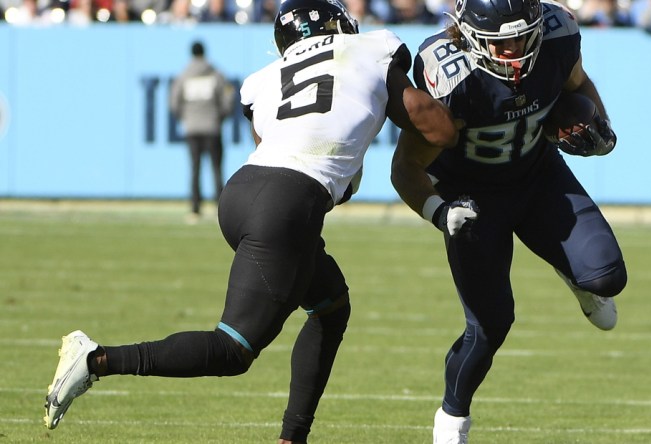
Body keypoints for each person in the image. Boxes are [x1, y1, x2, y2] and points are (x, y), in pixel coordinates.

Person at [43, 0, 459, 442]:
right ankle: (96, 360)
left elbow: (278, 145)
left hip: (242, 192)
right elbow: (440, 130)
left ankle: (292, 436)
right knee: (233, 349)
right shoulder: (370, 49)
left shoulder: (265, 80)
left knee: (330, 304)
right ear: (335, 24)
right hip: (285, 204)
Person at [390, 0, 627, 442]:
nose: (514, 49)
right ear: (467, 33)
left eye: (521, 35)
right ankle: (452, 418)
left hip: (537, 176)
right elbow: (405, 168)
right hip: (472, 198)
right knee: (490, 325)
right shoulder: (447, 72)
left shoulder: (557, 35)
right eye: (500, 41)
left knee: (608, 277)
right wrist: (439, 212)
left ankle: (574, 273)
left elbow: (578, 84)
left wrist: (600, 125)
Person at [169, 40, 234, 222]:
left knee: (195, 168)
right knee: (216, 169)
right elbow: (228, 97)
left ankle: (195, 209)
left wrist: (186, 117)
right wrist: (219, 116)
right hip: (212, 127)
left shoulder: (184, 75)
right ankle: (219, 208)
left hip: (192, 128)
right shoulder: (215, 73)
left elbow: (174, 102)